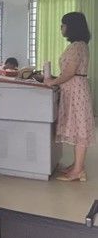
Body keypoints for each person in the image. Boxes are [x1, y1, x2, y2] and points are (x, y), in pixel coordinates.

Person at [44, 12, 95, 182]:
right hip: (74, 89)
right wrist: (56, 79)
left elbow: (70, 72)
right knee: (76, 127)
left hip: (76, 91)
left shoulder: (77, 46)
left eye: (63, 24)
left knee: (80, 129)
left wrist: (52, 82)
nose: (61, 28)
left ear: (72, 27)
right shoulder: (79, 45)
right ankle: (77, 165)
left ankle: (78, 171)